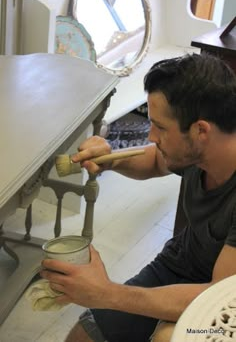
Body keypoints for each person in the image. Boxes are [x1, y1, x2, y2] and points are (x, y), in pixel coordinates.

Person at [41, 53, 236, 342]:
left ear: (200, 131)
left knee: (168, 338)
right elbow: (156, 161)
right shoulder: (202, 148)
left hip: (225, 302)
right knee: (83, 336)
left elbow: (218, 293)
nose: (151, 136)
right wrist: (110, 159)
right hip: (182, 263)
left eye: (161, 127)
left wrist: (108, 294)